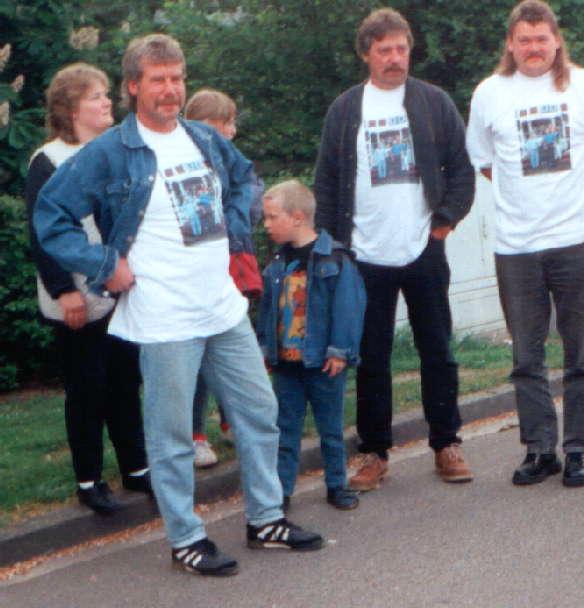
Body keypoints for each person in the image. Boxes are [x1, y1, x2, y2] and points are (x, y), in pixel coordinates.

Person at [34, 34, 322, 577]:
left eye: (177, 79)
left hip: (221, 306)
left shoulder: (200, 138)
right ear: (134, 87)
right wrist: (103, 266)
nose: (170, 90)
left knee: (261, 414)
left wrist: (236, 230)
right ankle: (186, 539)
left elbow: (244, 178)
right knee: (169, 437)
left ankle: (266, 520)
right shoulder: (109, 153)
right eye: (158, 80)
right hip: (164, 316)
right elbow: (50, 217)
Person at [314, 7, 476, 491]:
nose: (394, 58)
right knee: (372, 355)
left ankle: (446, 444)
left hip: (422, 249)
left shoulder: (433, 102)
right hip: (364, 255)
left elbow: (462, 170)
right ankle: (374, 453)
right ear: (366, 54)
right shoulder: (346, 109)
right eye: (384, 49)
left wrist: (443, 223)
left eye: (401, 48)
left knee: (438, 350)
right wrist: (335, 248)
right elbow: (326, 182)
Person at [466, 0, 584, 487]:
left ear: (557, 41)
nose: (534, 48)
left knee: (581, 353)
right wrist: (527, 202)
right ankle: (540, 449)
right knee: (526, 358)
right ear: (510, 45)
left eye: (542, 38)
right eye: (524, 39)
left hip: (576, 241)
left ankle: (577, 449)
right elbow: (487, 164)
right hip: (516, 247)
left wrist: (568, 204)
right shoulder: (489, 93)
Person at [24, 63, 151, 515]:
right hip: (77, 293)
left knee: (123, 379)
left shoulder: (112, 151)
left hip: (116, 288)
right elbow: (42, 233)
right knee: (87, 387)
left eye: (106, 95)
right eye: (97, 96)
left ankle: (136, 467)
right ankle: (89, 479)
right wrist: (64, 291)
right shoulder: (49, 159)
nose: (107, 103)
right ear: (71, 106)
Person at [257, 180, 366, 511]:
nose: (266, 225)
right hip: (286, 366)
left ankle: (337, 485)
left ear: (298, 217)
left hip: (322, 362)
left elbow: (349, 307)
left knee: (330, 428)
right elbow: (266, 312)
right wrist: (265, 349)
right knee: (285, 431)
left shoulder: (334, 259)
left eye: (273, 217)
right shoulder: (276, 263)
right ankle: (282, 491)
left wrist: (340, 350)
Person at [182, 88, 256, 468]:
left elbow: (248, 198)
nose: (231, 131)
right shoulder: (181, 162)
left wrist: (236, 224)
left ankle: (232, 417)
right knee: (197, 359)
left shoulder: (233, 163)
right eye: (224, 123)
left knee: (232, 347)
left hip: (231, 266)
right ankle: (195, 433)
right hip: (197, 273)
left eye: (231, 122)